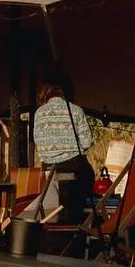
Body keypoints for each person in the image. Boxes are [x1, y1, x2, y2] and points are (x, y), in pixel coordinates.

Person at [32, 82, 95, 221]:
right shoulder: (76, 110)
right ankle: (78, 218)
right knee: (88, 175)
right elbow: (87, 142)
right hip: (73, 164)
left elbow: (37, 141)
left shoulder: (39, 113)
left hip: (49, 167)